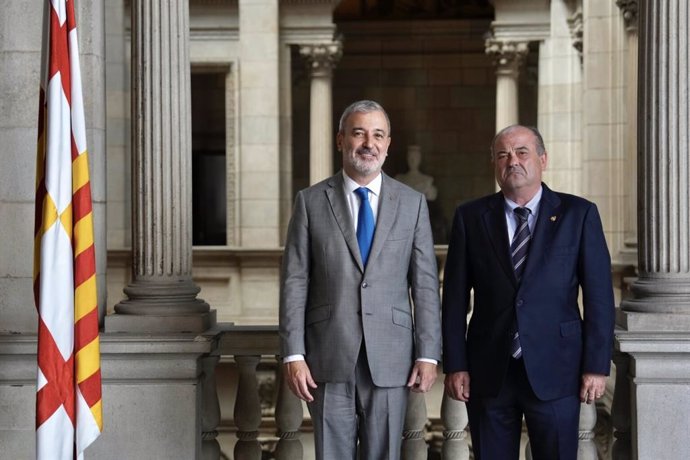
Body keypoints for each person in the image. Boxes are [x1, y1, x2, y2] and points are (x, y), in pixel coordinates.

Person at [279, 100, 442, 460]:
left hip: (392, 356)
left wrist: (429, 354)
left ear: (388, 144)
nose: (369, 143)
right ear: (341, 140)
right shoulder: (310, 202)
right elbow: (295, 280)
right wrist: (293, 353)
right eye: (359, 133)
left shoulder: (412, 203)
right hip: (327, 356)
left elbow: (426, 284)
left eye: (378, 135)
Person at [442, 125, 615, 460]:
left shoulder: (578, 215)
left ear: (543, 159)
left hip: (558, 369)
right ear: (494, 163)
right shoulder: (470, 217)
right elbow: (453, 300)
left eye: (522, 152)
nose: (513, 161)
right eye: (503, 155)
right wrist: (455, 364)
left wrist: (596, 365)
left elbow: (599, 298)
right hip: (489, 371)